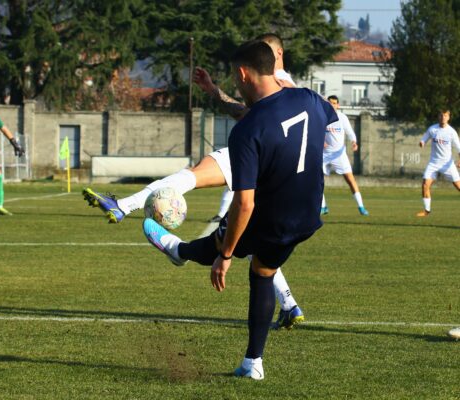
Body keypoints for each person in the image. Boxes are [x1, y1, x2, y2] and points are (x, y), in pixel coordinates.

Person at [143, 40, 338, 380]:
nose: (236, 83)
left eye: (236, 77)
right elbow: (330, 126)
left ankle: (181, 250)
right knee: (263, 271)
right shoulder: (308, 97)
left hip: (271, 216)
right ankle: (252, 363)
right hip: (308, 216)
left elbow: (244, 202)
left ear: (245, 74)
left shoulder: (247, 131)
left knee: (226, 242)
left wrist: (227, 255)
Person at [84, 33, 305, 330]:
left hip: (265, 158)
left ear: (278, 52)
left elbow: (266, 120)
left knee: (243, 227)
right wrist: (214, 91)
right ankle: (288, 304)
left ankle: (137, 217)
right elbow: (245, 113)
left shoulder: (283, 83)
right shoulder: (269, 80)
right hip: (258, 151)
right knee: (205, 188)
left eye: (268, 49)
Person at [321, 95, 369, 216]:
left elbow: (350, 132)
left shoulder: (342, 118)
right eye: (330, 103)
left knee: (350, 180)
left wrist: (354, 141)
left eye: (334, 103)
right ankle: (323, 206)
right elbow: (315, 132)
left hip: (339, 154)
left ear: (338, 105)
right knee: (317, 180)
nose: (332, 105)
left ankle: (361, 207)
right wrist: (322, 141)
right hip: (324, 155)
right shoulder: (322, 117)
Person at [416, 109, 460, 216]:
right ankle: (427, 210)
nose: (443, 118)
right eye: (441, 115)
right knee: (425, 184)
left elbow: (459, 148)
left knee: (458, 186)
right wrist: (422, 143)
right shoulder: (432, 129)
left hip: (447, 164)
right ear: (438, 117)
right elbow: (424, 139)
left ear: (448, 117)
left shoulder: (452, 132)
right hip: (434, 163)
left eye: (445, 116)